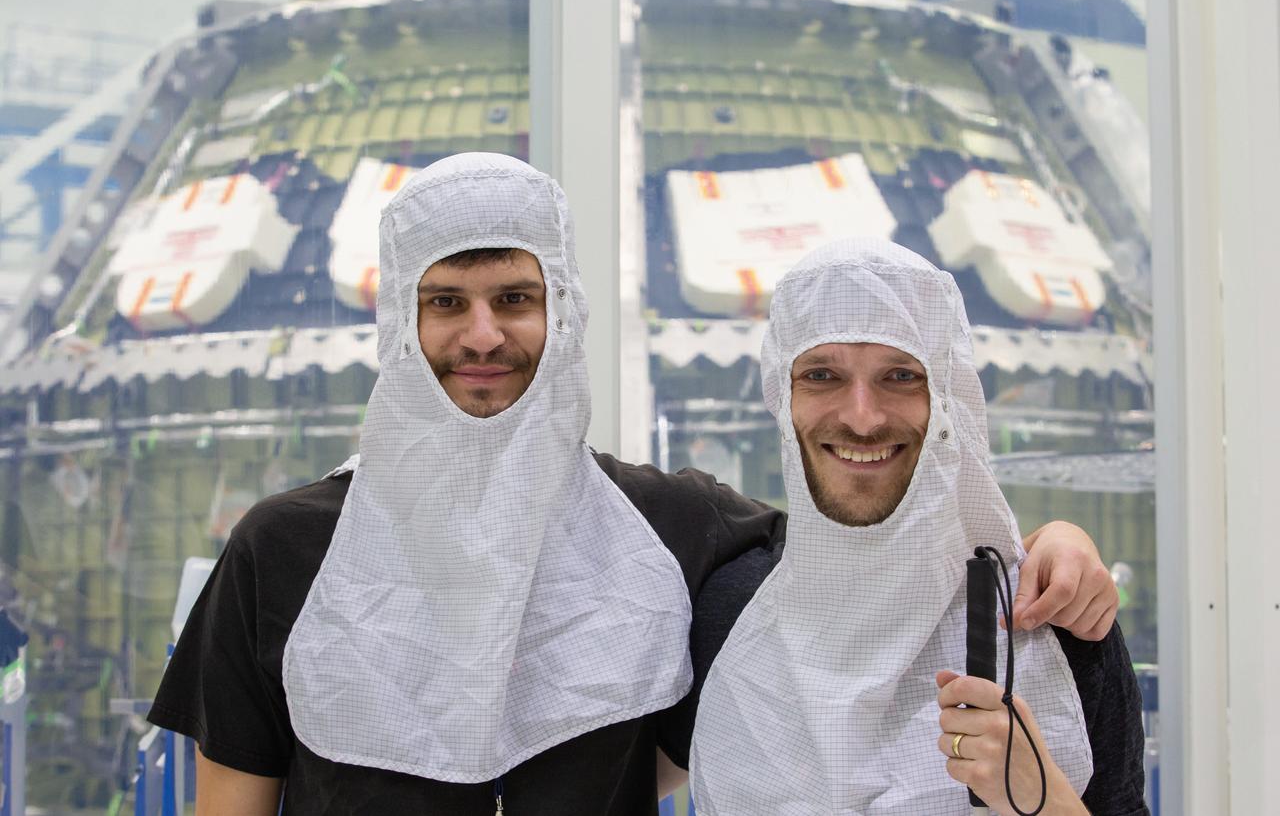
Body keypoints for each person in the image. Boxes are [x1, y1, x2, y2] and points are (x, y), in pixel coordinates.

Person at [147, 156, 1119, 815]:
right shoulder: (281, 550)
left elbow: (875, 533)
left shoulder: (673, 527)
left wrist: (1050, 545)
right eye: (444, 301)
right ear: (398, 323)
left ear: (560, 311)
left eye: (513, 298)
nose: (481, 335)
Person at [685, 238, 1148, 815]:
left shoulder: (1051, 618)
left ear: (948, 395)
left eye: (901, 375)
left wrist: (1043, 799)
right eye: (822, 374)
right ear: (783, 395)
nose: (862, 415)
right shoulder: (726, 612)